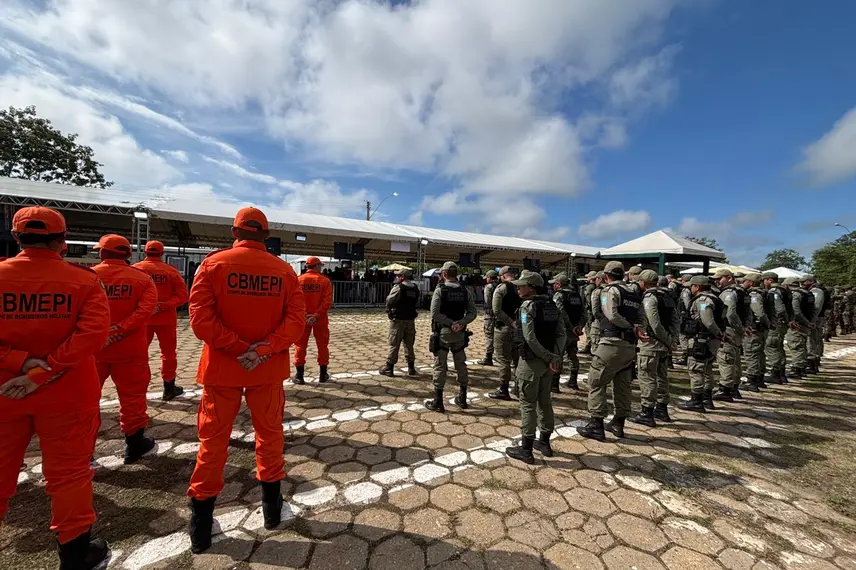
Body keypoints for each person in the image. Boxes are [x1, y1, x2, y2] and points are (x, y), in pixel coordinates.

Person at [186, 207, 305, 553]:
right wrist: (262, 349)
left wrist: (237, 347)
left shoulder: (212, 265)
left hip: (222, 367)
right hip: (266, 368)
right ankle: (271, 509)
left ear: (234, 232)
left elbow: (199, 319)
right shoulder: (285, 271)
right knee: (269, 434)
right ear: (266, 236)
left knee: (212, 442)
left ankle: (201, 523)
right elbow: (295, 323)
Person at [0, 207, 112, 569]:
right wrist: (40, 371)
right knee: (70, 475)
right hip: (68, 391)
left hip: (6, 391)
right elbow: (92, 336)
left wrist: (19, 362)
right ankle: (75, 555)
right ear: (62, 241)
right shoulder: (84, 281)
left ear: (16, 237)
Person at [91, 234, 160, 464]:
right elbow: (145, 311)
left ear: (102, 253)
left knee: (86, 401)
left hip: (93, 350)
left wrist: (103, 333)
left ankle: (83, 451)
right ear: (128, 254)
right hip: (130, 349)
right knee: (133, 398)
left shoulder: (87, 277)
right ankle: (134, 444)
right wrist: (120, 329)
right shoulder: (143, 280)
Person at [577, 262, 645, 441]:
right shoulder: (634, 293)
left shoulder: (609, 291)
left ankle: (596, 425)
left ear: (606, 276)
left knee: (596, 382)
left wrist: (629, 326)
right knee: (622, 385)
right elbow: (641, 318)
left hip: (611, 343)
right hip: (629, 346)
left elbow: (611, 314)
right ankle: (618, 423)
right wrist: (637, 328)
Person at [505, 271, 565, 464]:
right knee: (545, 401)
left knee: (528, 404)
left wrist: (548, 356)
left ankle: (526, 450)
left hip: (531, 363)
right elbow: (561, 334)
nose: (518, 288)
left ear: (531, 288)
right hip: (548, 364)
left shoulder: (527, 306)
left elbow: (529, 338)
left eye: (521, 285)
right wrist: (555, 357)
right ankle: (544, 442)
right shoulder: (552, 305)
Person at [133, 240, 189, 400]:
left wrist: (147, 307)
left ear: (145, 252)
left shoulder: (135, 270)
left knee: (139, 354)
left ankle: (137, 388)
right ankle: (169, 388)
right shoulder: (171, 271)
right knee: (168, 354)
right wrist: (162, 306)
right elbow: (183, 295)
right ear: (162, 253)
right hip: (166, 320)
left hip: (142, 319)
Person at [425, 262, 476, 412]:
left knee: (440, 365)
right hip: (459, 333)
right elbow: (473, 313)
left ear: (444, 274)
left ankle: (438, 401)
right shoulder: (465, 291)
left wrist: (450, 323)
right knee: (461, 364)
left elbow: (434, 313)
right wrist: (460, 323)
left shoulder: (440, 290)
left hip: (444, 333)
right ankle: (463, 398)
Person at [631, 270, 676, 426]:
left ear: (643, 282)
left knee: (647, 377)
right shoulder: (667, 296)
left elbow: (654, 324)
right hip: (664, 344)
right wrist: (672, 340)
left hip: (650, 342)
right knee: (662, 376)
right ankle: (662, 408)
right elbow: (675, 320)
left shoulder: (650, 297)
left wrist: (667, 340)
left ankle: (647, 412)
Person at [677, 275, 727, 412]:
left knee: (696, 369)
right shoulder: (715, 298)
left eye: (691, 286)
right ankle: (706, 398)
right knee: (707, 369)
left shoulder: (703, 300)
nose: (690, 288)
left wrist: (718, 333)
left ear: (697, 287)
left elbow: (708, 321)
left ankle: (696, 401)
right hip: (710, 340)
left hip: (702, 339)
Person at [293, 256, 333, 384]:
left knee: (300, 346)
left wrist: (305, 315)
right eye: (320, 266)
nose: (321, 268)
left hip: (303, 319)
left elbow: (295, 301)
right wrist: (316, 315)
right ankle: (323, 374)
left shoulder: (298, 280)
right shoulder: (325, 281)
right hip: (320, 319)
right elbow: (327, 302)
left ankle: (299, 376)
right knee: (322, 346)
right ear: (316, 266)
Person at [711, 268, 749, 402]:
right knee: (735, 359)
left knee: (726, 358)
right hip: (736, 330)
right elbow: (747, 312)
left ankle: (725, 389)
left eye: (719, 279)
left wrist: (739, 328)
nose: (717, 282)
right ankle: (734, 387)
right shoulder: (741, 292)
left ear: (729, 278)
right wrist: (744, 327)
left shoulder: (729, 293)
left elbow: (730, 314)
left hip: (729, 329)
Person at [488, 267, 521, 401]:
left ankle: (503, 389)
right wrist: (519, 322)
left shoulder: (501, 289)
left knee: (503, 359)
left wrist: (510, 322)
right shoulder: (521, 287)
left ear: (502, 276)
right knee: (517, 360)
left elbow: (496, 310)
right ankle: (519, 389)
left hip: (504, 328)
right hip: (518, 329)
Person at [379, 268, 419, 377]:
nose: (397, 277)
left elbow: (389, 300)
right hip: (410, 320)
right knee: (409, 345)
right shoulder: (415, 288)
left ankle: (389, 367)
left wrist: (388, 311)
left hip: (398, 320)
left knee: (394, 344)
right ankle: (411, 368)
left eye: (399, 275)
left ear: (402, 277)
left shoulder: (399, 288)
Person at [549, 273, 584, 392]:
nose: (553, 286)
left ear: (559, 284)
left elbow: (560, 312)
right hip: (574, 332)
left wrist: (570, 327)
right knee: (573, 355)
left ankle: (554, 385)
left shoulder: (559, 295)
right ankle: (573, 382)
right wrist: (579, 326)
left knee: (558, 356)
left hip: (563, 331)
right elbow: (584, 313)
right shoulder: (577, 295)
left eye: (554, 283)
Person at [741, 273, 770, 392]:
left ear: (751, 283)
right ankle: (759, 378)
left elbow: (759, 312)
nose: (743, 283)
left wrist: (765, 323)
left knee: (751, 353)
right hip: (761, 329)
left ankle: (752, 380)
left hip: (755, 329)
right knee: (759, 353)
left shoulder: (754, 295)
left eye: (745, 281)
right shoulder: (764, 293)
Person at [762, 272, 791, 385]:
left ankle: (776, 373)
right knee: (779, 346)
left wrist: (777, 319)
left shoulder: (774, 291)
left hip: (777, 323)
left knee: (772, 346)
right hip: (783, 323)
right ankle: (781, 372)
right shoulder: (785, 290)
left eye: (764, 280)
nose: (764, 283)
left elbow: (779, 309)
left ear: (769, 280)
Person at [784, 276, 812, 379]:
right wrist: (810, 322)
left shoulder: (796, 294)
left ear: (787, 285)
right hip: (805, 323)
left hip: (798, 324)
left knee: (796, 346)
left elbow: (796, 311)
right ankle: (802, 367)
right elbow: (813, 309)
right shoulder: (807, 293)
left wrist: (803, 322)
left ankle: (797, 368)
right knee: (802, 346)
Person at [804, 276, 828, 373]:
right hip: (817, 318)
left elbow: (816, 306)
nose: (802, 284)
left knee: (812, 339)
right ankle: (815, 359)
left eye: (804, 281)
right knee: (815, 339)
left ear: (809, 281)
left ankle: (812, 362)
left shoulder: (816, 291)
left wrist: (812, 320)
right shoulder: (818, 290)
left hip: (816, 318)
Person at [477, 269, 498, 366]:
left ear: (489, 278)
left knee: (489, 336)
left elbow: (487, 301)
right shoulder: (500, 286)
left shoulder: (489, 287)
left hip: (490, 315)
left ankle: (488, 357)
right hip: (500, 315)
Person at [675, 274, 693, 365]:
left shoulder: (686, 290)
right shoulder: (694, 289)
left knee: (683, 337)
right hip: (691, 317)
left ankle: (685, 356)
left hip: (685, 317)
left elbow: (687, 304)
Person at [579, 271, 597, 354]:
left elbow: (588, 301)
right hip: (595, 311)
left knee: (588, 329)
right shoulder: (597, 287)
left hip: (589, 311)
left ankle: (589, 346)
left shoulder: (589, 288)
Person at [588, 271, 606, 354]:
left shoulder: (597, 291)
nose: (595, 281)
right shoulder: (611, 290)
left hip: (598, 325)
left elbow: (595, 311)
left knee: (596, 351)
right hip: (610, 327)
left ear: (600, 279)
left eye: (596, 279)